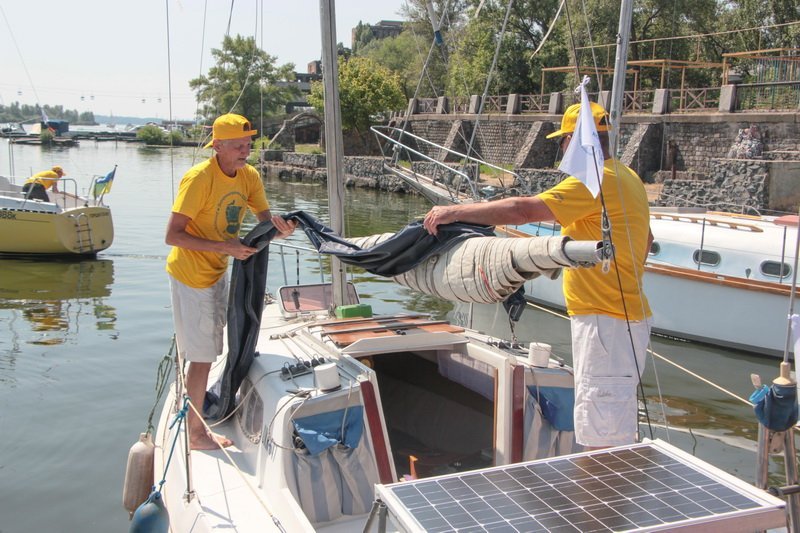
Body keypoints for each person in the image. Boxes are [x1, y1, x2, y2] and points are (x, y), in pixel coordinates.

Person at [423, 102, 653, 450]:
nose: (561, 149)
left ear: (577, 141)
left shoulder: (595, 181)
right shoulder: (627, 176)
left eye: (563, 141)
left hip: (606, 322)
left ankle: (598, 502)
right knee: (610, 422)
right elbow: (647, 240)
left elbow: (523, 209)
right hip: (620, 320)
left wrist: (452, 212)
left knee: (601, 435)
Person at [165, 113, 296, 450]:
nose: (245, 150)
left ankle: (191, 408)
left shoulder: (249, 176)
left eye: (248, 144)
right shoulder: (199, 179)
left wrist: (280, 229)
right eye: (238, 145)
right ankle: (195, 435)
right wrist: (225, 247)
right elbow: (172, 235)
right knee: (203, 354)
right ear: (218, 146)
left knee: (208, 347)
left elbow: (265, 221)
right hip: (191, 275)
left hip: (218, 270)